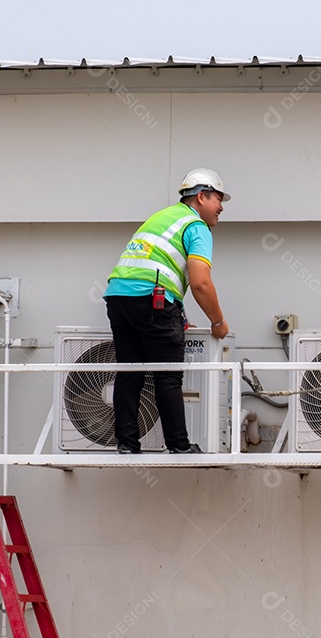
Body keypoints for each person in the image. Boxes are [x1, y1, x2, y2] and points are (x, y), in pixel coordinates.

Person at [103, 168, 232, 454]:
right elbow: (200, 283)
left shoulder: (161, 217)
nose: (222, 207)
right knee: (168, 375)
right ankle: (178, 446)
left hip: (118, 298)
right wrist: (218, 322)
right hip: (152, 300)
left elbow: (157, 268)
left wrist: (178, 315)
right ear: (201, 197)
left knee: (130, 372)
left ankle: (126, 444)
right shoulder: (195, 227)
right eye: (218, 200)